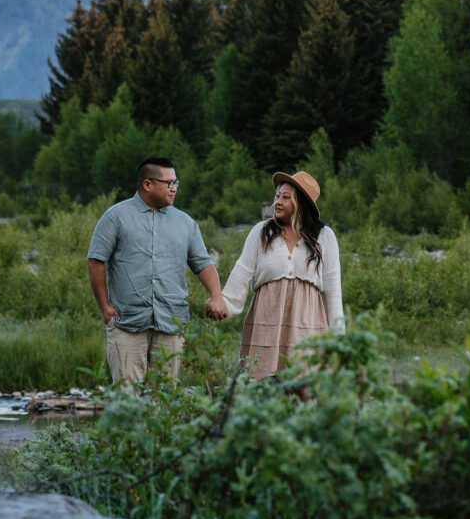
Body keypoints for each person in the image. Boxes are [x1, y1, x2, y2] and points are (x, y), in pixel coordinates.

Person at [87, 156, 227, 385]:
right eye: (168, 183)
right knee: (127, 398)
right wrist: (104, 307)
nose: (174, 189)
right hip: (127, 323)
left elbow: (203, 263)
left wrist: (217, 295)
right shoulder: (115, 217)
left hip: (171, 323)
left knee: (165, 399)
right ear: (147, 184)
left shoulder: (186, 223)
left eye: (176, 183)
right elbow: (95, 261)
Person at [210, 170, 344, 378]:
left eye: (285, 197)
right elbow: (242, 272)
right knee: (263, 387)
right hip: (267, 324)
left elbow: (333, 292)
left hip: (308, 326)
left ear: (301, 204)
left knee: (303, 391)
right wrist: (222, 304)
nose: (278, 202)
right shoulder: (261, 232)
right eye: (277, 196)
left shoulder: (324, 237)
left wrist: (339, 339)